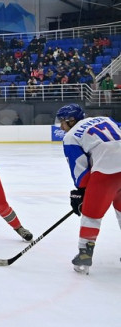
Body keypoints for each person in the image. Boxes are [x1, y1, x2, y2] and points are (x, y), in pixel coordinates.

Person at [55, 104, 121, 275]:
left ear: (71, 120)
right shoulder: (106, 119)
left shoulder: (70, 136)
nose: (61, 126)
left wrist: (82, 191)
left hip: (107, 172)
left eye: (62, 122)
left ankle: (85, 254)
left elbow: (80, 171)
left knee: (91, 215)